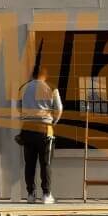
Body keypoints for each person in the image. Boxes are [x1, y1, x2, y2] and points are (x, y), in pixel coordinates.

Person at [19, 67, 63, 204]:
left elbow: (18, 108)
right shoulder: (51, 87)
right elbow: (59, 109)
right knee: (45, 163)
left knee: (29, 164)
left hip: (27, 129)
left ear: (32, 75)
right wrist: (53, 122)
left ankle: (31, 194)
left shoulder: (23, 88)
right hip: (45, 129)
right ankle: (46, 195)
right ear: (44, 75)